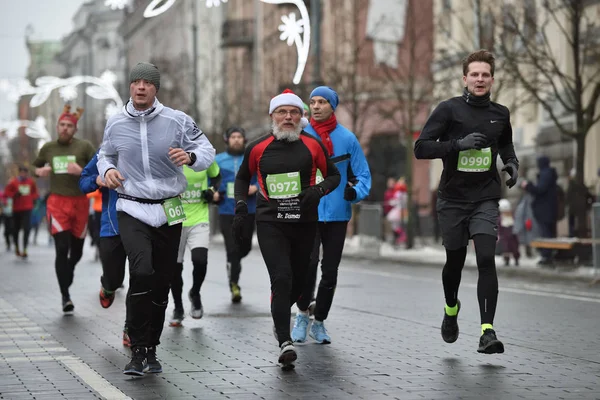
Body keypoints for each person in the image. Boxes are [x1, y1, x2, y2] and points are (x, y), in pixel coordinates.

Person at [97, 62, 215, 376]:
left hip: (169, 208)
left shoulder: (177, 120)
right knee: (141, 270)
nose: (140, 87)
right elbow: (104, 154)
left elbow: (206, 149)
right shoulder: (116, 122)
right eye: (135, 82)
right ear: (129, 86)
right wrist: (107, 170)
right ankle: (136, 349)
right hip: (132, 207)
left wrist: (190, 157)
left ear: (155, 89)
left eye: (146, 83)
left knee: (162, 280)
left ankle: (151, 347)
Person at [414, 50, 519, 354]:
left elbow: (506, 144)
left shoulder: (501, 113)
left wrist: (511, 163)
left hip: (485, 197)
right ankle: (451, 308)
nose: (480, 79)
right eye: (474, 74)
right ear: (464, 79)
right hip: (453, 200)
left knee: (486, 258)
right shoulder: (448, 111)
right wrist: (458, 145)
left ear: (492, 80)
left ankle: (487, 331)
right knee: (455, 264)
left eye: (485, 74)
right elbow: (421, 148)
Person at [233, 89, 340, 369]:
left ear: (301, 116)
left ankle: (287, 307)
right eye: (282, 112)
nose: (288, 117)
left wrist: (318, 190)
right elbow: (242, 177)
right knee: (281, 278)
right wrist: (242, 205)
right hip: (271, 223)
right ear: (273, 116)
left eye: (294, 112)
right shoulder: (258, 147)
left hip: (304, 223)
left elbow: (334, 175)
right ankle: (284, 341)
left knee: (301, 282)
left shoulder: (312, 145)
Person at [291, 86, 371, 345]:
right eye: (312, 102)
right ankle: (302, 314)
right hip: (307, 214)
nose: (315, 106)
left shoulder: (348, 139)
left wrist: (354, 193)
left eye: (322, 102)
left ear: (332, 106)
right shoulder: (300, 136)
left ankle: (320, 321)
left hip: (337, 214)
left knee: (330, 271)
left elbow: (363, 176)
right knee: (308, 266)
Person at [32, 105, 96, 313]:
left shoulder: (84, 147)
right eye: (62, 125)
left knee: (76, 252)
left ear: (75, 129)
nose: (65, 128)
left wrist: (82, 171)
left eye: (70, 125)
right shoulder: (48, 148)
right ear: (57, 126)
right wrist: (39, 171)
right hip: (57, 203)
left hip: (80, 203)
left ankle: (69, 270)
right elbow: (35, 167)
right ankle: (65, 296)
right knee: (61, 248)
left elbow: (99, 167)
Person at [79, 151, 130, 347]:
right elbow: (84, 182)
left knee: (140, 276)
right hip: (112, 226)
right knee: (114, 278)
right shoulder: (104, 153)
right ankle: (108, 286)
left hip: (142, 224)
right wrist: (99, 180)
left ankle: (131, 328)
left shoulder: (148, 145)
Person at [169, 160, 221, 326]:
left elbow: (216, 176)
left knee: (200, 260)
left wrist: (212, 190)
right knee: (174, 268)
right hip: (174, 218)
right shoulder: (168, 157)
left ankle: (195, 293)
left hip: (199, 218)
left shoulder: (203, 157)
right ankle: (178, 307)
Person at [215, 126, 258, 304]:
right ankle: (234, 284)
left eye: (239, 137)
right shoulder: (217, 160)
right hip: (226, 210)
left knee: (245, 247)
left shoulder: (251, 159)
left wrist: (256, 188)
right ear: (227, 140)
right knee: (232, 249)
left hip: (248, 209)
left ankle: (233, 263)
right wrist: (214, 192)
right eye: (233, 137)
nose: (236, 140)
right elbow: (209, 182)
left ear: (244, 140)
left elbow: (264, 178)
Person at [520, 156, 558, 265]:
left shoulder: (546, 174)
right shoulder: (549, 174)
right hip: (549, 209)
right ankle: (547, 254)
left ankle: (546, 256)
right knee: (549, 231)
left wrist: (528, 186)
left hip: (545, 210)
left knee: (545, 232)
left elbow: (540, 190)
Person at [4, 165, 38, 258]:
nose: (23, 174)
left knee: (27, 229)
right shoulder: (13, 182)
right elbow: (6, 193)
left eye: (25, 173)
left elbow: (35, 193)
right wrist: (15, 194)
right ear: (19, 173)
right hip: (16, 209)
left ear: (27, 173)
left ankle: (25, 249)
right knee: (16, 229)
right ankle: (17, 247)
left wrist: (33, 198)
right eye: (21, 172)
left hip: (27, 208)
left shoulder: (31, 182)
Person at [565, 168, 593, 238]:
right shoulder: (582, 185)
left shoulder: (571, 185)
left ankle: (572, 235)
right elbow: (589, 195)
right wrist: (588, 204)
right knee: (580, 222)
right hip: (581, 207)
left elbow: (567, 196)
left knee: (572, 222)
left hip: (573, 207)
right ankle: (581, 234)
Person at [497, 199, 520, 266]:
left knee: (515, 249)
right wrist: (498, 235)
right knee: (505, 249)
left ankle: (516, 260)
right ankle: (506, 261)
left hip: (513, 236)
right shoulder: (500, 218)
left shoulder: (513, 217)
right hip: (504, 237)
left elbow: (516, 225)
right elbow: (498, 227)